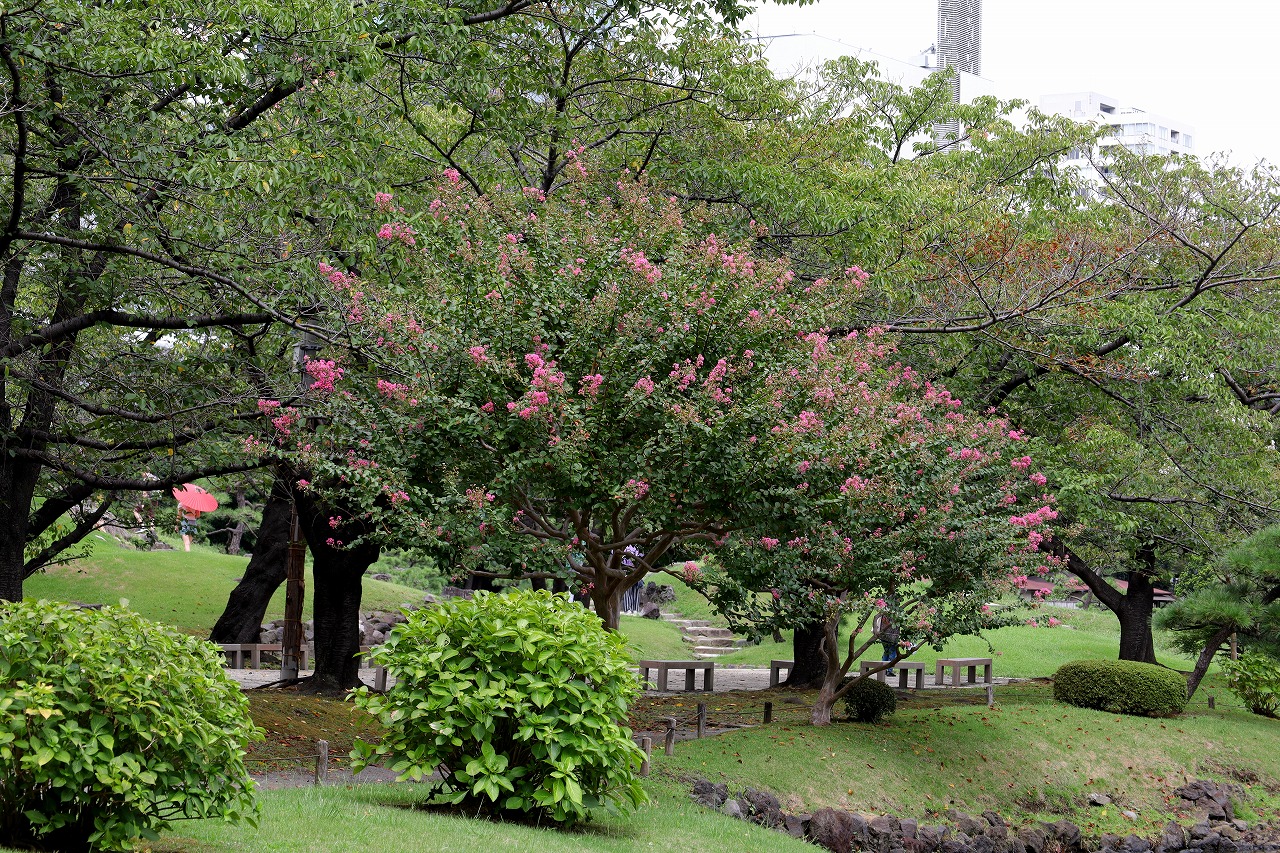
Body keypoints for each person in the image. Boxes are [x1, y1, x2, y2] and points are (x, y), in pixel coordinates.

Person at [872, 611, 900, 677]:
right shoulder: (897, 612)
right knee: (892, 653)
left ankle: (883, 670)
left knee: (886, 652)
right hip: (893, 636)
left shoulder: (884, 611)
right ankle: (889, 670)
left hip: (883, 636)